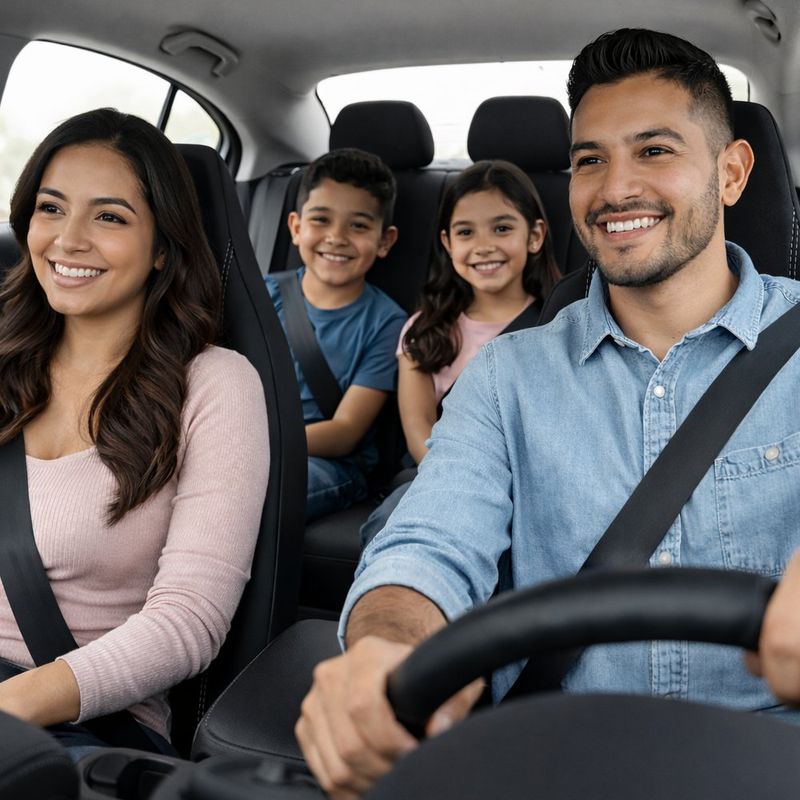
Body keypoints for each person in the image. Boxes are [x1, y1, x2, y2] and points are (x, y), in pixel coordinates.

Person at [295, 28, 800, 797]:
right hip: (558, 751)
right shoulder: (508, 374)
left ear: (731, 174)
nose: (614, 187)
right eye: (591, 159)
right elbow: (428, 543)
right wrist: (385, 650)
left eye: (655, 151)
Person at [0, 108, 269, 761]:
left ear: (162, 249)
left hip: (74, 725)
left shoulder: (215, 384)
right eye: (51, 208)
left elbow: (188, 622)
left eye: (110, 216)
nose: (68, 240)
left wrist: (9, 709)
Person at [359, 159, 561, 548]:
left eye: (502, 228)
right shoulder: (425, 331)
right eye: (466, 232)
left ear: (534, 236)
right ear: (448, 243)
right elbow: (420, 434)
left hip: (535, 484)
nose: (484, 246)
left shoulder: (560, 325)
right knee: (394, 521)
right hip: (444, 475)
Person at [265, 148, 407, 522]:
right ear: (296, 228)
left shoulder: (387, 322)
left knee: (261, 486)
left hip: (329, 463)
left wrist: (255, 445)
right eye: (321, 220)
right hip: (244, 442)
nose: (337, 237)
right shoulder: (261, 296)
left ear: (385, 240)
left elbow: (346, 432)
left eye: (358, 226)